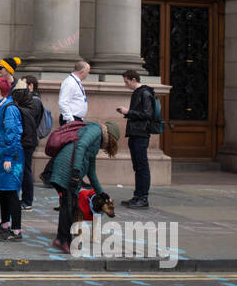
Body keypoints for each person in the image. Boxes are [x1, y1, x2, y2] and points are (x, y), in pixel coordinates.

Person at [50, 119, 121, 254]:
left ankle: (61, 239)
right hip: (66, 169)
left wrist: (102, 193)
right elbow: (81, 145)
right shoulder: (95, 130)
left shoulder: (96, 142)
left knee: (69, 205)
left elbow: (91, 172)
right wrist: (76, 172)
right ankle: (64, 241)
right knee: (70, 206)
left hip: (70, 170)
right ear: (111, 135)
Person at [0, 77, 25, 241]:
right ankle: (5, 224)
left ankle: (16, 230)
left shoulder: (9, 109)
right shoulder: (1, 107)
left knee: (11, 192)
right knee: (3, 190)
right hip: (2, 154)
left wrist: (9, 156)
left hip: (8, 156)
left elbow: (13, 133)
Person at [116, 69, 158, 208]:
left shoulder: (145, 93)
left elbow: (147, 114)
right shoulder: (138, 93)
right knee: (138, 166)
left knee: (142, 166)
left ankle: (143, 197)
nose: (125, 84)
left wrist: (128, 112)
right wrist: (129, 113)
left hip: (141, 134)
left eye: (126, 82)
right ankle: (137, 195)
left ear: (134, 80)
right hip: (135, 133)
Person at [11, 75, 44, 211]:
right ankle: (24, 199)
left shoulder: (33, 102)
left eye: (23, 86)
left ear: (30, 86)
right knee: (24, 170)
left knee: (25, 170)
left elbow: (30, 122)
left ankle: (27, 200)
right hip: (28, 139)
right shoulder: (31, 101)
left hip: (27, 141)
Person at [59, 59, 90, 123]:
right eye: (87, 72)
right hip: (71, 119)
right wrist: (71, 120)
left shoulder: (76, 82)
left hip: (76, 119)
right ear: (82, 72)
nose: (88, 74)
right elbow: (63, 102)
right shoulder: (70, 82)